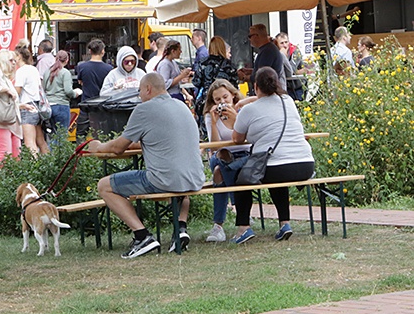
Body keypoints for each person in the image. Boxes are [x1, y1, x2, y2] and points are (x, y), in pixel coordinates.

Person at [87, 73, 205, 259]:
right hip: (195, 178)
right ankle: (180, 229)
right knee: (178, 182)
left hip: (164, 180)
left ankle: (142, 236)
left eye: (140, 91)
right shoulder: (181, 105)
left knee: (104, 185)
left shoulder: (144, 110)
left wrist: (98, 146)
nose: (140, 96)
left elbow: (118, 148)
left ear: (148, 89)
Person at [220, 67, 315, 244]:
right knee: (276, 175)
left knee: (243, 179)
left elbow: (237, 138)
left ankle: (243, 228)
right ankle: (285, 223)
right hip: (305, 165)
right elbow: (269, 100)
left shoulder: (249, 111)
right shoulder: (288, 101)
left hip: (277, 167)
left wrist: (237, 117)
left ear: (255, 86)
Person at [201, 79, 249, 243]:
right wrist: (214, 123)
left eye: (225, 97)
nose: (222, 102)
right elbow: (214, 147)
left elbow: (249, 139)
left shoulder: (243, 110)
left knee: (219, 171)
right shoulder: (210, 115)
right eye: (217, 100)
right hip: (222, 155)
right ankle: (237, 207)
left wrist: (236, 119)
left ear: (233, 96)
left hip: (244, 155)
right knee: (221, 161)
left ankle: (218, 225)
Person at [191, 35, 238, 120]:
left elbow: (196, 82)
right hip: (225, 100)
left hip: (207, 101)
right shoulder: (229, 65)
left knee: (207, 126)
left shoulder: (203, 63)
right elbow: (234, 85)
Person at [14, 44, 49, 154]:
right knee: (41, 141)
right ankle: (49, 165)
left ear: (19, 56)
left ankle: (34, 169)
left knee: (29, 142)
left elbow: (17, 92)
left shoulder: (21, 71)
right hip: (37, 106)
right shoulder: (33, 69)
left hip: (26, 107)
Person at [75, 39, 113, 139]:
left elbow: (80, 82)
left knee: (81, 136)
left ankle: (82, 154)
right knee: (102, 135)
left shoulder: (81, 66)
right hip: (102, 106)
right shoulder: (109, 69)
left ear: (90, 51)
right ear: (103, 51)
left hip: (86, 105)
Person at [237, 24, 287, 91]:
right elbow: (263, 70)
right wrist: (250, 71)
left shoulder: (267, 51)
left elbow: (262, 76)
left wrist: (244, 77)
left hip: (270, 92)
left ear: (256, 36)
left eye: (250, 36)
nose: (249, 39)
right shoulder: (268, 49)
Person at [43, 50, 81, 138]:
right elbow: (68, 91)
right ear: (67, 60)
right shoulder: (65, 73)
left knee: (53, 135)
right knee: (62, 135)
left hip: (49, 107)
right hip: (61, 106)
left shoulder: (47, 72)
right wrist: (75, 94)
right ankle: (61, 152)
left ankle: (52, 152)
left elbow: (43, 89)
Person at [274, 32, 305, 100]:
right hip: (284, 87)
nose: (285, 45)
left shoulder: (295, 51)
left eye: (286, 42)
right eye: (281, 43)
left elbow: (291, 70)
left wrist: (283, 56)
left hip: (297, 86)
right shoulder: (275, 52)